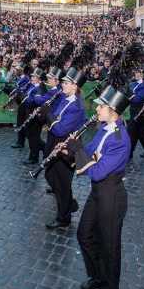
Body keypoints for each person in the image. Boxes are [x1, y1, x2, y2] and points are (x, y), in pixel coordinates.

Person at [68, 86, 131, 289]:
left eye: (100, 106)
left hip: (111, 195)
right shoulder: (104, 128)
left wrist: (77, 151)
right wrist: (70, 149)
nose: (96, 109)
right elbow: (90, 150)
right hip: (98, 193)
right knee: (84, 234)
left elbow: (96, 171)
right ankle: (97, 276)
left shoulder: (120, 139)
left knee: (109, 244)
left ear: (113, 110)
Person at [42, 67, 87, 229]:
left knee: (62, 182)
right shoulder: (64, 97)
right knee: (49, 174)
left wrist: (48, 115)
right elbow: (55, 114)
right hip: (54, 141)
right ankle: (69, 203)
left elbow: (60, 128)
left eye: (66, 83)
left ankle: (64, 219)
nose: (62, 85)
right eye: (63, 82)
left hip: (66, 146)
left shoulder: (77, 105)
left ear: (75, 86)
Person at [127, 68, 144, 159]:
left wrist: (130, 94)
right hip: (133, 110)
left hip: (141, 111)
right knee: (140, 132)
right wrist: (132, 95)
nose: (137, 74)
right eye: (136, 73)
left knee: (131, 131)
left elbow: (137, 99)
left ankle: (129, 152)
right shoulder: (132, 83)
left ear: (142, 74)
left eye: (139, 73)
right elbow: (131, 96)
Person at [21, 68, 46, 165]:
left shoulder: (41, 88)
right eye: (32, 76)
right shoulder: (33, 86)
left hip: (35, 116)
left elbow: (36, 102)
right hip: (30, 113)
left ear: (39, 79)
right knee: (31, 135)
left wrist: (27, 99)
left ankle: (33, 157)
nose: (32, 77)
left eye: (34, 76)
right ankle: (43, 147)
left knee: (33, 137)